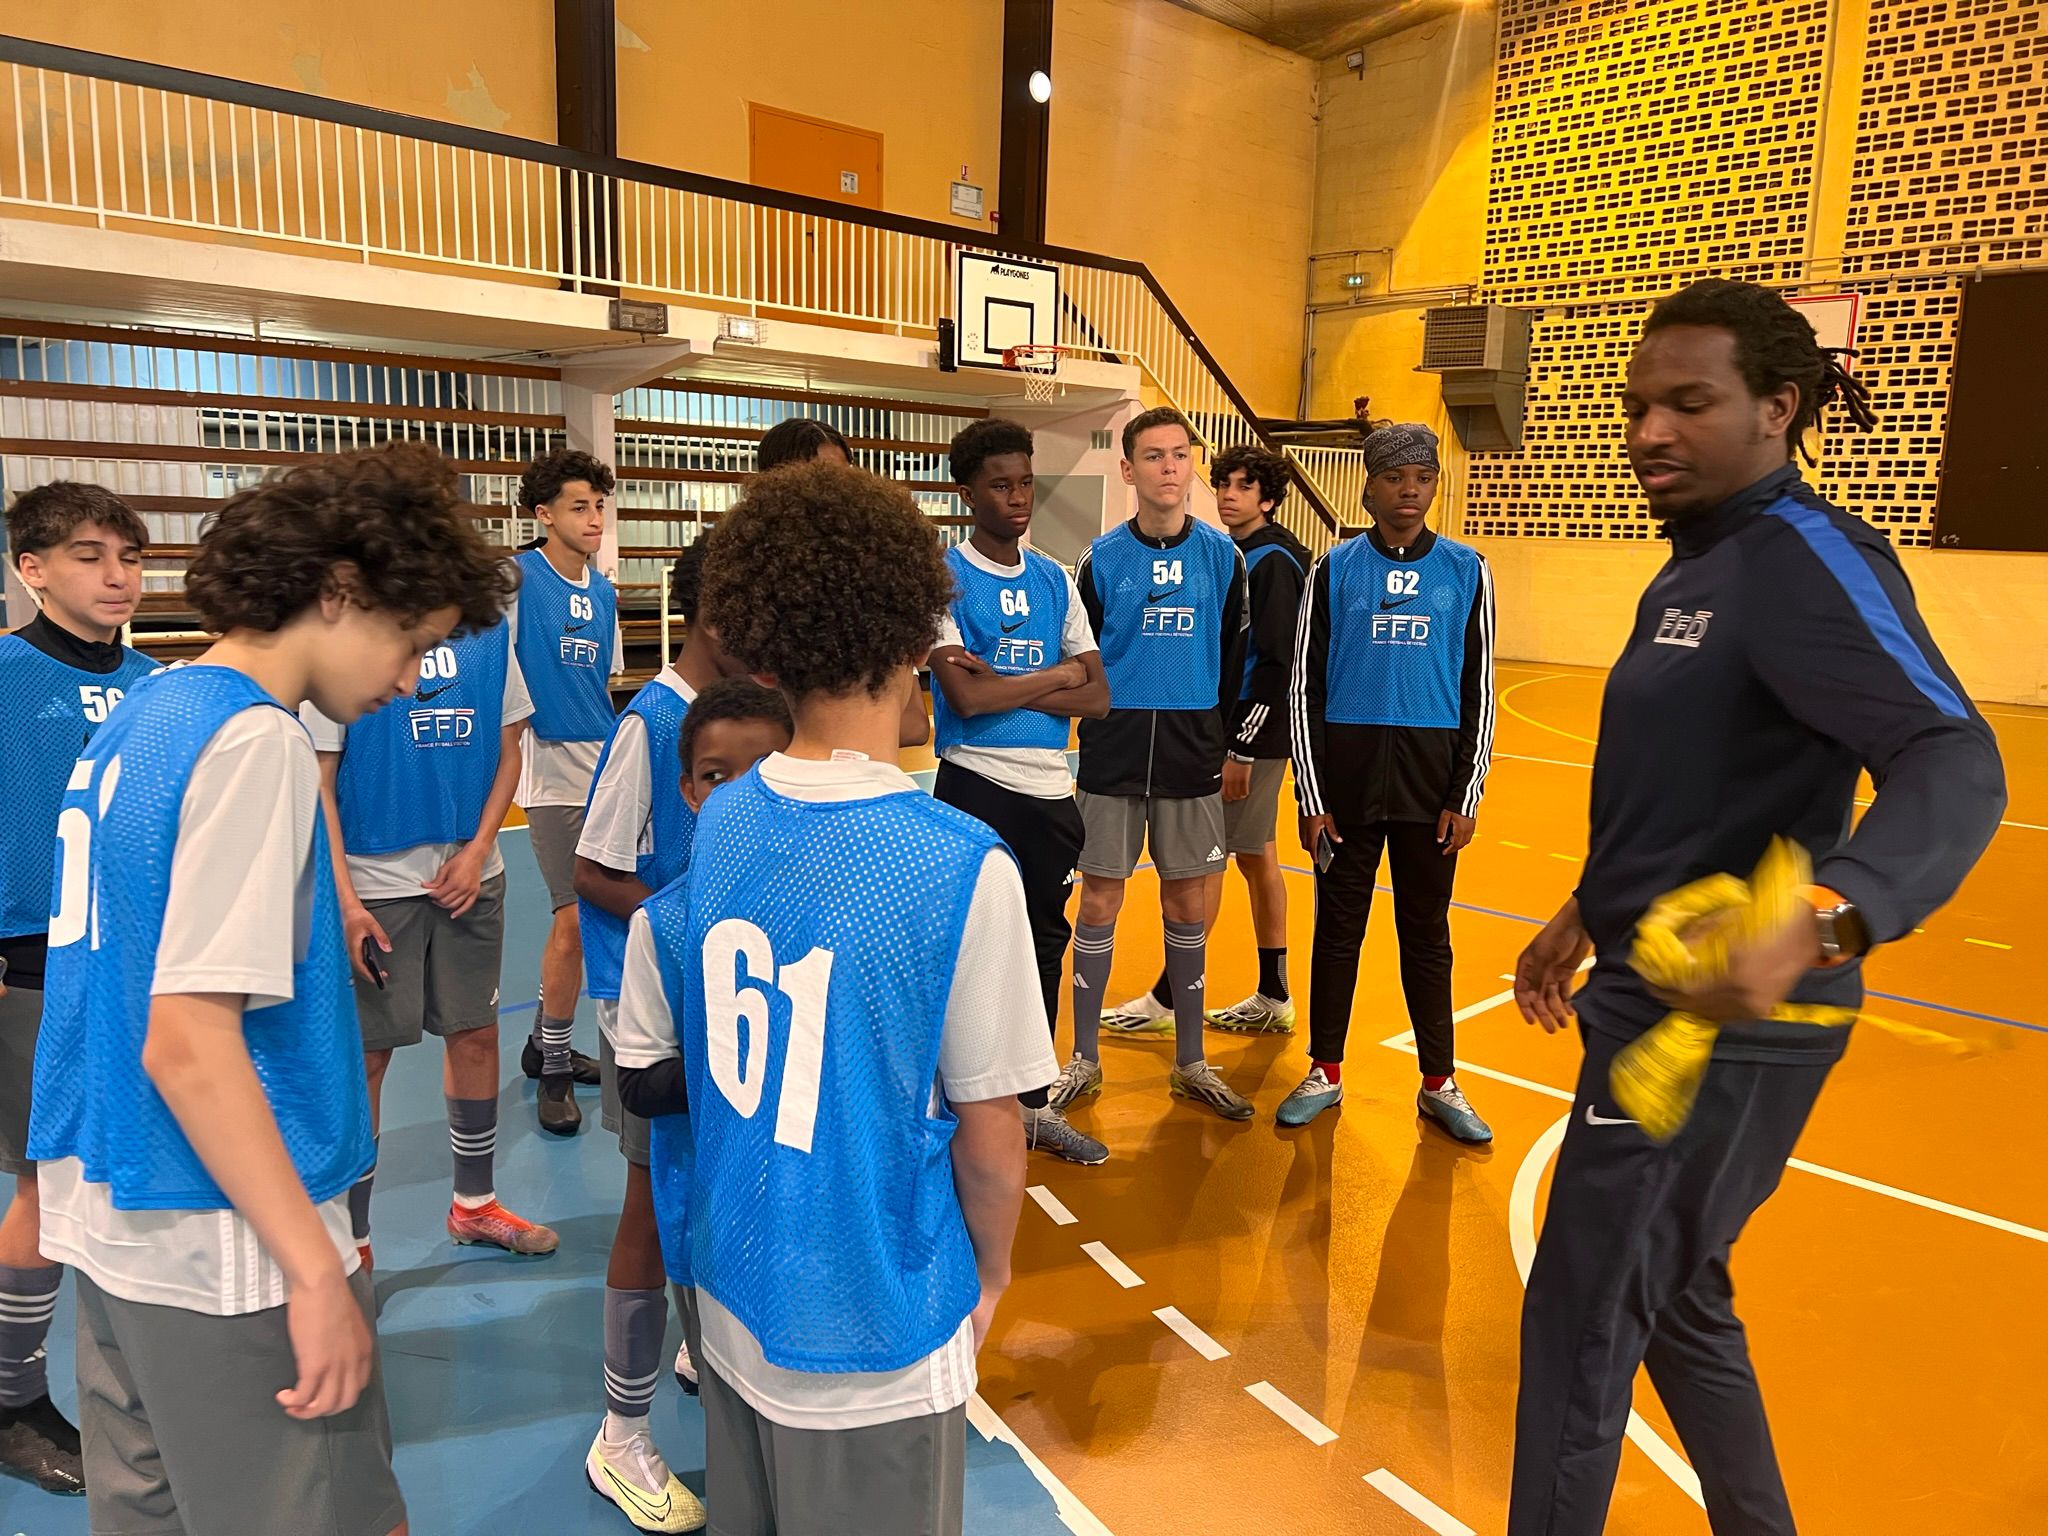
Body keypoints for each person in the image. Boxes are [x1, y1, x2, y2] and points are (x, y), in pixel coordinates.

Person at [1507, 279, 2006, 1535]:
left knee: (1581, 1316)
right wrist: (1585, 908)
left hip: (1715, 1025)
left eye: (1687, 403)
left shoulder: (1804, 559)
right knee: (1675, 1298)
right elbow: (1695, 783)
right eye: (1636, 406)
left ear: (1776, 408)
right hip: (1647, 989)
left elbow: (1953, 759)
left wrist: (1827, 919)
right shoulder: (1695, 567)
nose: (1647, 433)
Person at [28, 441, 513, 1536]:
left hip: (109, 1200)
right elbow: (189, 1041)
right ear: (338, 592)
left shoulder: (148, 704)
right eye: (410, 644)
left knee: (147, 1509)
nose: (406, 682)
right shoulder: (254, 741)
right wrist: (314, 1270)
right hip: (222, 1233)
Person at [615, 461, 1052, 1536]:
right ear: (914, 637)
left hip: (730, 1285)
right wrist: (992, 1275)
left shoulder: (724, 815)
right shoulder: (957, 861)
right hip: (868, 1327)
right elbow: (991, 1127)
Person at [586, 675, 790, 1535]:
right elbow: (647, 1079)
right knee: (650, 1215)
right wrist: (756, 1058)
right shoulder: (667, 922)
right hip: (675, 1097)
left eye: (760, 770)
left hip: (768, 1159)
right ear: (689, 789)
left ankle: (712, 1358)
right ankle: (621, 1434)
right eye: (715, 775)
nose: (736, 792)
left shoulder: (817, 897)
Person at [573, 541, 747, 1530]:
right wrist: (690, 928)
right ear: (712, 614)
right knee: (647, 1206)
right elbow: (594, 869)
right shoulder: (653, 722)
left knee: (718, 1188)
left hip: (728, 1001)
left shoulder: (750, 714)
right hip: (655, 1008)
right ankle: (620, 1434)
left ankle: (696, 1348)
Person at [306, 603, 558, 1264]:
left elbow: (510, 750)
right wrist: (345, 901)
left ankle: (474, 1205)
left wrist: (478, 851)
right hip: (373, 883)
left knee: (476, 1035)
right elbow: (320, 781)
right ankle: (353, 1240)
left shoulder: (491, 632)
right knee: (368, 1057)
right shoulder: (351, 633)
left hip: (472, 875)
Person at [0, 483, 157, 1495]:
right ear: (33, 569)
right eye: (90, 555)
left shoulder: (155, 684)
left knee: (114, 1178)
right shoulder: (6, 676)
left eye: (130, 557)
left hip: (132, 967)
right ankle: (12, 1398)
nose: (117, 576)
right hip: (30, 967)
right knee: (44, 1185)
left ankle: (124, 1376)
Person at [1282, 423, 1496, 1138]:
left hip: (1430, 788)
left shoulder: (1468, 570)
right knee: (1337, 931)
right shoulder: (1332, 570)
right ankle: (1325, 1070)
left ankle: (1439, 1081)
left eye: (1423, 478)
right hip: (1344, 787)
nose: (1410, 490)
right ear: (1368, 487)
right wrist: (1312, 796)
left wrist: (1464, 794)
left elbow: (1479, 688)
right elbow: (1304, 686)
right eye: (1395, 477)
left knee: (1426, 935)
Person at [1054, 407, 1252, 1122]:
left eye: (1179, 454)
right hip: (1113, 750)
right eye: (1153, 455)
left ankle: (1191, 1060)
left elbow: (1235, 659)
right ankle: (1083, 1059)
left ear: (1191, 465)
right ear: (1128, 469)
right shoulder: (1100, 559)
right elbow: (1079, 658)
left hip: (1191, 750)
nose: (1169, 467)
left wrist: (1227, 742)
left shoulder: (1224, 558)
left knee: (1187, 903)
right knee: (1098, 901)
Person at [929, 418, 1111, 1166]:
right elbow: (965, 701)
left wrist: (1009, 680)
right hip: (975, 786)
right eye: (999, 485)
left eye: (1025, 483)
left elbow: (1098, 697)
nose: (1017, 497)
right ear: (966, 493)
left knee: (1043, 944)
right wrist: (1056, 676)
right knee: (965, 947)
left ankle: (1033, 1108)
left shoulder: (1055, 578)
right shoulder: (943, 578)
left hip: (1050, 795)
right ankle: (953, 1107)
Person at [1104, 444, 1308, 1037]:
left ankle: (1170, 999)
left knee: (1209, 861)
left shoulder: (1271, 561)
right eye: (1223, 483)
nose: (1229, 495)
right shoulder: (1232, 553)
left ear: (1269, 499)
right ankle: (1274, 994)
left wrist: (1241, 747)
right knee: (1257, 856)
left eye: (1245, 486)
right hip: (1241, 733)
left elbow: (1276, 662)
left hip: (1251, 737)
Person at [511, 448, 625, 1135]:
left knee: (599, 917)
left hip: (603, 766)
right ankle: (554, 1064)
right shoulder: (516, 581)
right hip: (548, 768)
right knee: (573, 919)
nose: (593, 518)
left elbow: (602, 682)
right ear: (544, 515)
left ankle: (540, 1043)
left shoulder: (604, 593)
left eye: (599, 506)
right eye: (579, 506)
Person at [752, 416, 931, 751]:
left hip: (859, 775)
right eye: (819, 477)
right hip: (777, 775)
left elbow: (913, 725)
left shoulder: (874, 581)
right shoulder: (753, 583)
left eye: (844, 475)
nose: (836, 490)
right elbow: (740, 729)